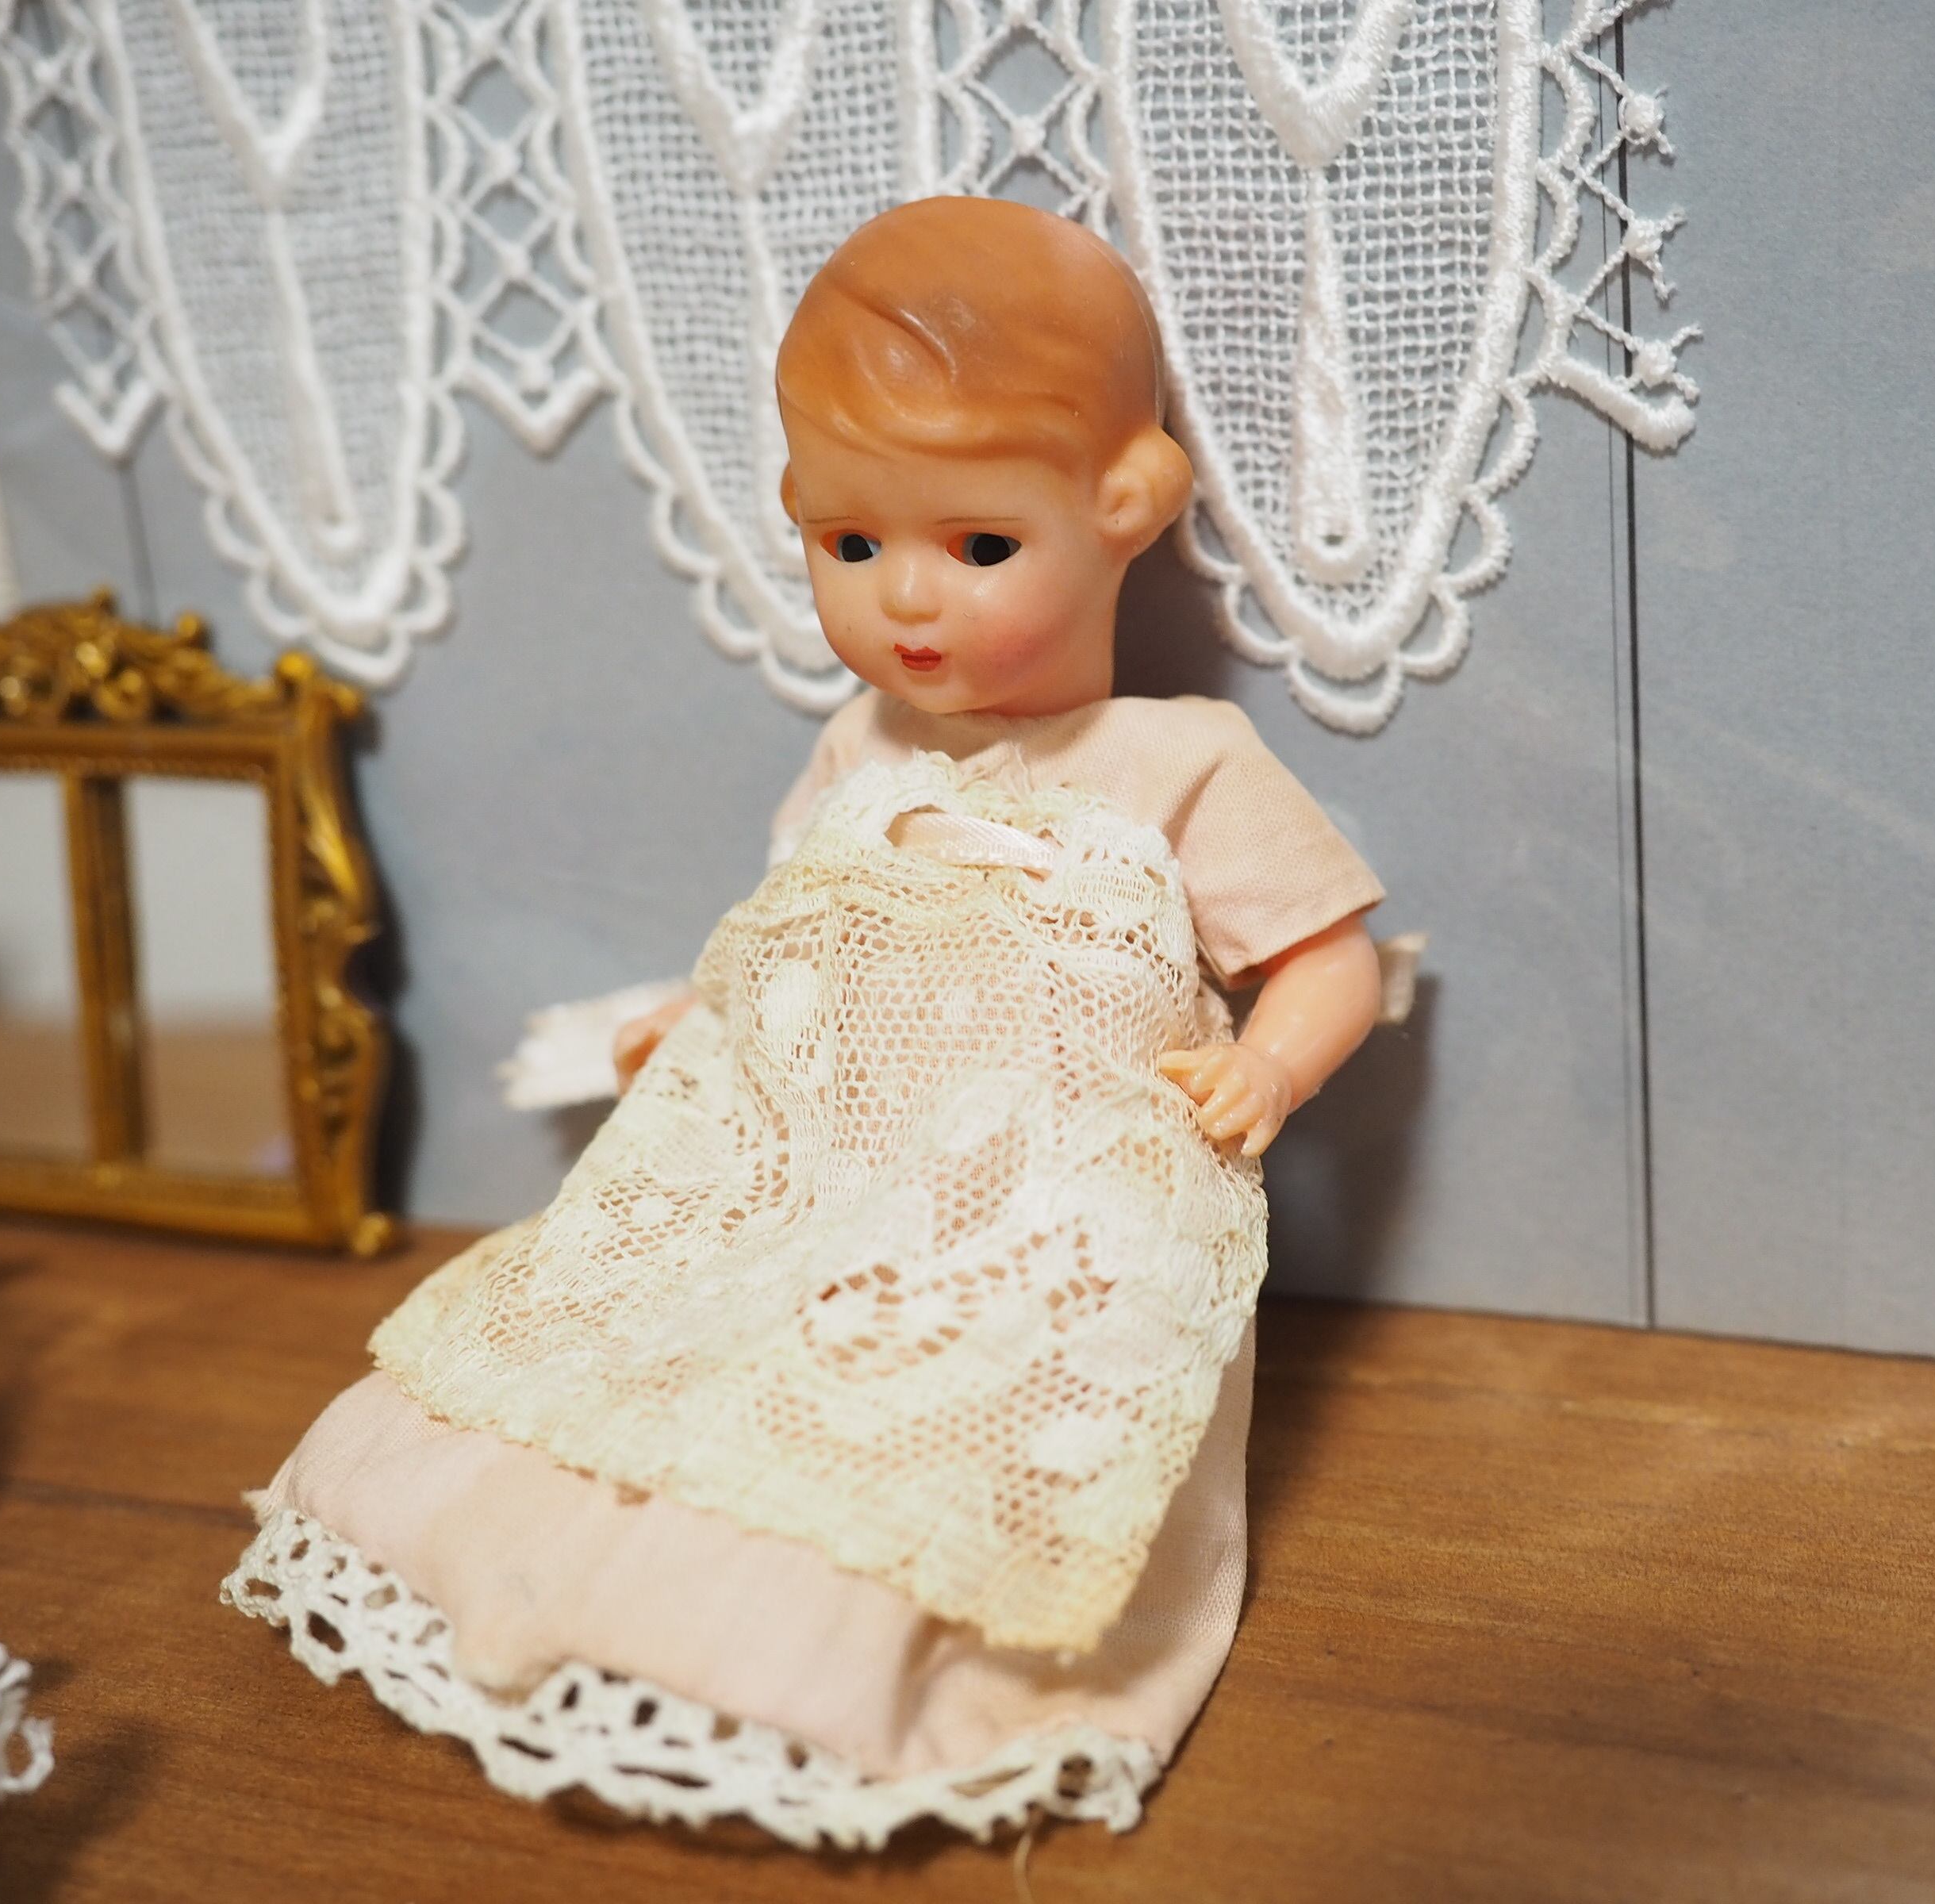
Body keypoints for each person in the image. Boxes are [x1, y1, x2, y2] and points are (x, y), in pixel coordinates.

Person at [225, 195, 1386, 1850]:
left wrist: (1267, 1062)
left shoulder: (1179, 761)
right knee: (681, 1336)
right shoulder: (862, 747)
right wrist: (697, 1013)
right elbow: (794, 922)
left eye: (977, 548)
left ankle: (832, 1657)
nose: (906, 599)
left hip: (1040, 1200)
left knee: (956, 1412)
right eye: (850, 546)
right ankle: (579, 1588)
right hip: (821, 1169)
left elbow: (1330, 957)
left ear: (1122, 504)